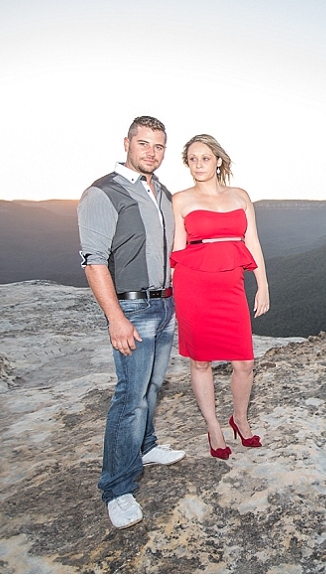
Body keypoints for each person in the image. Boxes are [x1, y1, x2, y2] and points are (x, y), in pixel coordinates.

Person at [78, 116, 186, 530]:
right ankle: (118, 487)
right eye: (143, 144)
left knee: (153, 387)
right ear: (126, 143)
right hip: (134, 310)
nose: (151, 153)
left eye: (158, 146)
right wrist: (116, 318)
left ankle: (146, 447)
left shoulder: (161, 192)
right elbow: (94, 260)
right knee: (129, 398)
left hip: (165, 308)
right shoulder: (103, 193)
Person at [170, 134, 270, 460]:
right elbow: (177, 247)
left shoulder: (240, 197)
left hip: (231, 286)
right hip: (193, 286)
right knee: (201, 360)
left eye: (205, 157)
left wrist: (263, 285)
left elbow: (252, 242)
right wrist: (172, 295)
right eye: (193, 159)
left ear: (218, 161)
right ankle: (213, 425)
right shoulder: (181, 200)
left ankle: (239, 418)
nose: (199, 164)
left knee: (245, 363)